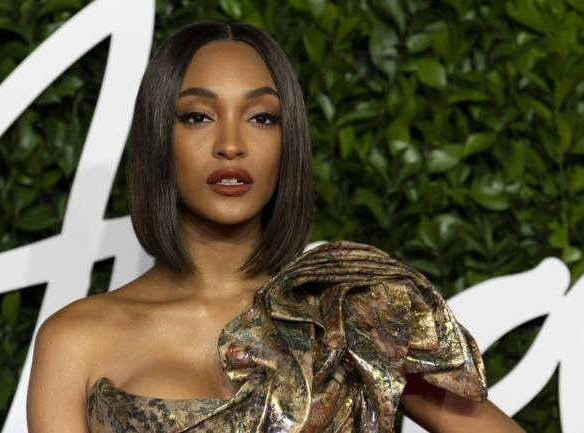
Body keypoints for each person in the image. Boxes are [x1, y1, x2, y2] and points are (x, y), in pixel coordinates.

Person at [26, 20, 527, 433]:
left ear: (289, 142)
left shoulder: (348, 312)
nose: (230, 145)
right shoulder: (76, 340)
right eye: (197, 116)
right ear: (159, 137)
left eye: (262, 118)